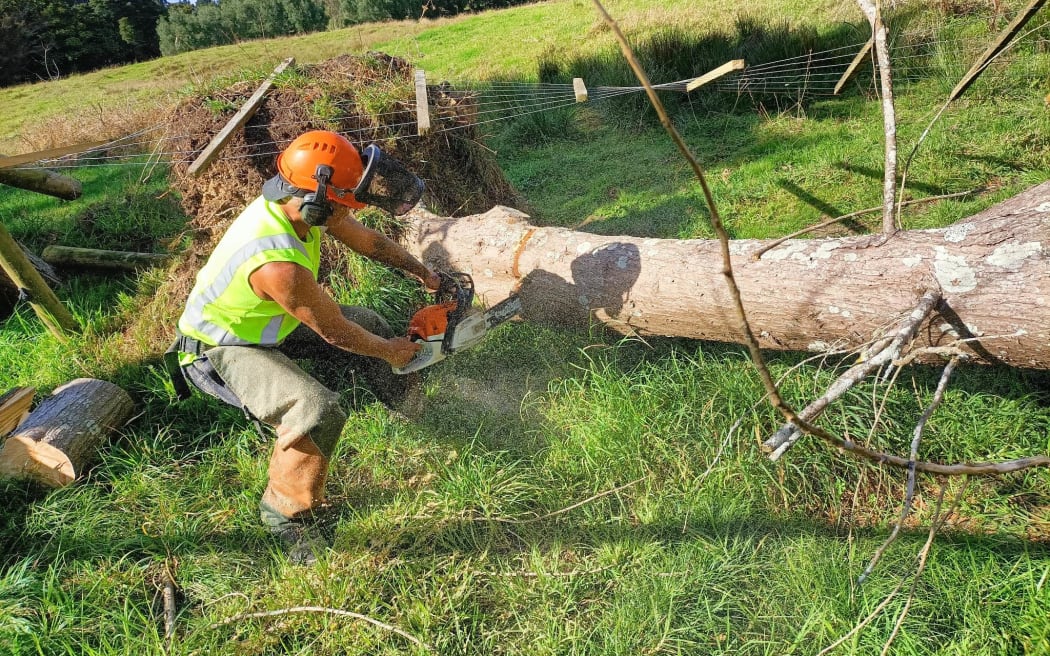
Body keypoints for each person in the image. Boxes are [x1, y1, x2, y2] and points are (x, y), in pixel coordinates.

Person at [169, 130, 439, 563]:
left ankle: (414, 409)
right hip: (219, 348)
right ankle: (284, 512)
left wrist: (422, 271)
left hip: (266, 323)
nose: (348, 209)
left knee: (369, 323)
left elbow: (368, 241)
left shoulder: (304, 205)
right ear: (319, 197)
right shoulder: (275, 261)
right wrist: (390, 351)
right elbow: (334, 331)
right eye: (346, 200)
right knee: (314, 409)